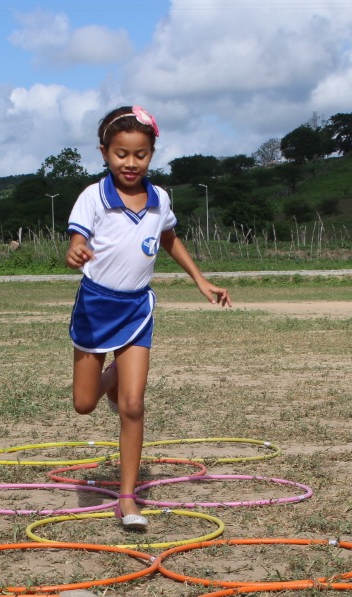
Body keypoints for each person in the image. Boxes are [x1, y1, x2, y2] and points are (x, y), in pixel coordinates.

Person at [66, 104, 232, 531]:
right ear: (105, 152)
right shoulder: (93, 196)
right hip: (95, 308)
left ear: (151, 154)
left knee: (133, 405)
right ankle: (115, 371)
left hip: (138, 310)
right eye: (121, 153)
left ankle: (127, 497)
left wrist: (201, 280)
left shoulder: (159, 200)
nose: (130, 162)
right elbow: (77, 237)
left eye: (140, 154)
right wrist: (75, 250)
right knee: (85, 404)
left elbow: (170, 238)